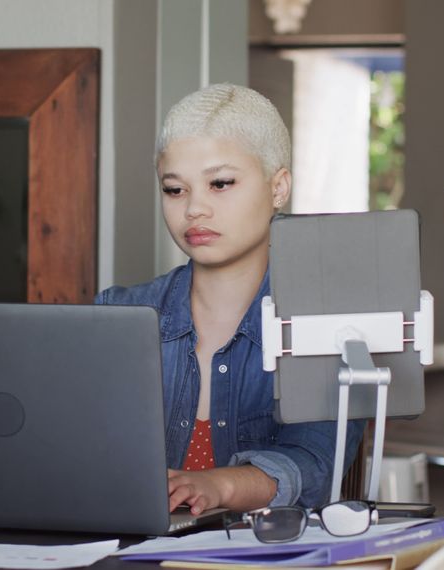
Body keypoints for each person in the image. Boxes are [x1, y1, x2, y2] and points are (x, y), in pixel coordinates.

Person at [95, 83, 365, 515]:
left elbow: (315, 462)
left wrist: (218, 485)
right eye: (174, 189)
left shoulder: (323, 324)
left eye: (220, 183)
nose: (194, 209)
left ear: (279, 187)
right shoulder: (116, 314)